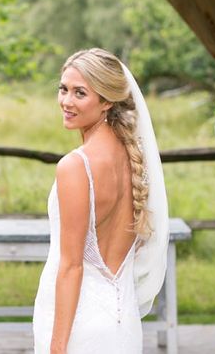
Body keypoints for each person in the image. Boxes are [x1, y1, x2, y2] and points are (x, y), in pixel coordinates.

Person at [32, 48, 169, 354]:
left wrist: (57, 347)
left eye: (80, 93)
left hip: (79, 328)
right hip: (123, 324)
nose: (66, 101)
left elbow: (71, 266)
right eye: (63, 89)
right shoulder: (132, 158)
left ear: (107, 101)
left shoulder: (75, 166)